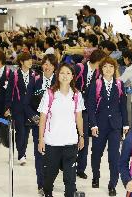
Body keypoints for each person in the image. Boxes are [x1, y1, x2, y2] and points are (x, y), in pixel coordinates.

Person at [38, 63, 85, 197]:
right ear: (58, 75)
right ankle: (47, 192)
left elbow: (79, 117)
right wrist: (41, 139)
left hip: (70, 142)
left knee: (70, 178)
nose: (65, 76)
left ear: (72, 76)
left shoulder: (76, 95)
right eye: (62, 73)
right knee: (50, 175)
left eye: (68, 73)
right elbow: (43, 118)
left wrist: (81, 136)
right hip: (52, 142)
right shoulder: (50, 94)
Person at [88, 56, 129, 196]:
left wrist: (125, 124)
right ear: (101, 69)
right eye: (105, 66)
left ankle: (112, 184)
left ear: (114, 68)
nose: (108, 69)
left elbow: (123, 105)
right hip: (99, 124)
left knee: (114, 156)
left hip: (115, 126)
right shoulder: (96, 84)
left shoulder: (119, 84)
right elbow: (91, 106)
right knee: (96, 153)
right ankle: (95, 176)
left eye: (111, 67)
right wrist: (92, 124)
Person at [24, 54, 57, 196]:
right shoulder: (35, 80)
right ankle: (41, 184)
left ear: (55, 67)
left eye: (50, 64)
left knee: (54, 156)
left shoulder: (60, 80)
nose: (47, 66)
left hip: (56, 126)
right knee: (40, 155)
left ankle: (50, 181)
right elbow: (26, 103)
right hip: (38, 125)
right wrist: (34, 117)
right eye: (45, 63)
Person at [75, 49, 107, 180]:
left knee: (85, 138)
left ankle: (80, 168)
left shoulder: (99, 73)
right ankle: (65, 162)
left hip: (88, 108)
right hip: (74, 105)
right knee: (71, 136)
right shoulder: (79, 68)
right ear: (98, 61)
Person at [5, 52, 36, 165]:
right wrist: (7, 107)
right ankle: (21, 155)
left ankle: (22, 153)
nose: (30, 62)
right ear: (22, 62)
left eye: (31, 59)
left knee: (27, 132)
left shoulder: (34, 75)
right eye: (28, 60)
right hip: (17, 107)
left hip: (30, 109)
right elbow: (9, 91)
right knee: (20, 132)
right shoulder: (15, 75)